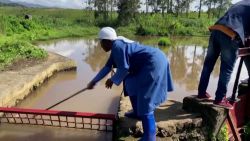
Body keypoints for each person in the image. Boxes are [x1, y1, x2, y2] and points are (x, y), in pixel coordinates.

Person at [86, 27, 173, 141]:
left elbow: (124, 68)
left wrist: (112, 80)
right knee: (130, 81)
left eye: (101, 42)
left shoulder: (117, 47)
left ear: (107, 41)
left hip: (153, 63)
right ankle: (137, 112)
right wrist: (94, 81)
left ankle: (150, 136)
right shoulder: (116, 46)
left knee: (146, 100)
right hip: (152, 60)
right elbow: (107, 67)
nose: (101, 45)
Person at [197, 0, 250, 109]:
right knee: (226, 68)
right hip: (230, 34)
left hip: (216, 29)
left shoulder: (242, 3)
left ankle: (201, 93)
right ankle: (220, 99)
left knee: (208, 65)